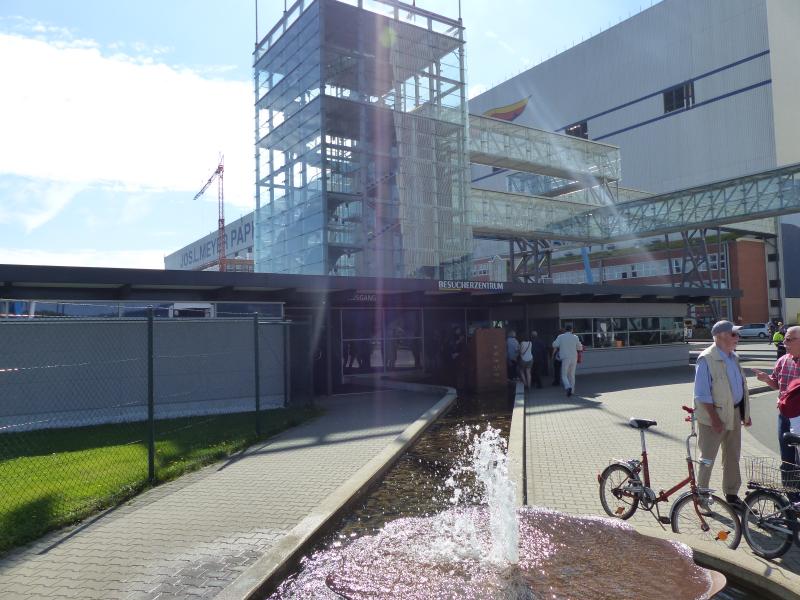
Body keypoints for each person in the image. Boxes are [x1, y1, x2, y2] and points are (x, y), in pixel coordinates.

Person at [693, 320, 751, 510]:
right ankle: (701, 497)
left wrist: (745, 414)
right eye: (733, 334)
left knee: (732, 456)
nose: (737, 337)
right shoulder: (706, 359)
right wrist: (715, 419)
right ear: (720, 336)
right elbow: (702, 394)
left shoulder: (734, 357)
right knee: (707, 459)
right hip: (713, 418)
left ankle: (732, 495)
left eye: (737, 334)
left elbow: (740, 388)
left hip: (734, 413)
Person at [753, 325, 800, 494]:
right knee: (786, 458)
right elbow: (776, 385)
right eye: (785, 339)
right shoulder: (782, 361)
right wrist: (767, 379)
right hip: (784, 416)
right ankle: (790, 497)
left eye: (789, 339)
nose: (784, 343)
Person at [552, 325, 583, 397]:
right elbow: (580, 348)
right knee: (571, 375)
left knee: (564, 375)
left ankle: (568, 387)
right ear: (572, 330)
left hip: (565, 358)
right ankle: (572, 391)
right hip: (574, 358)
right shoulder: (575, 337)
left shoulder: (560, 336)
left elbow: (554, 345)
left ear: (565, 330)